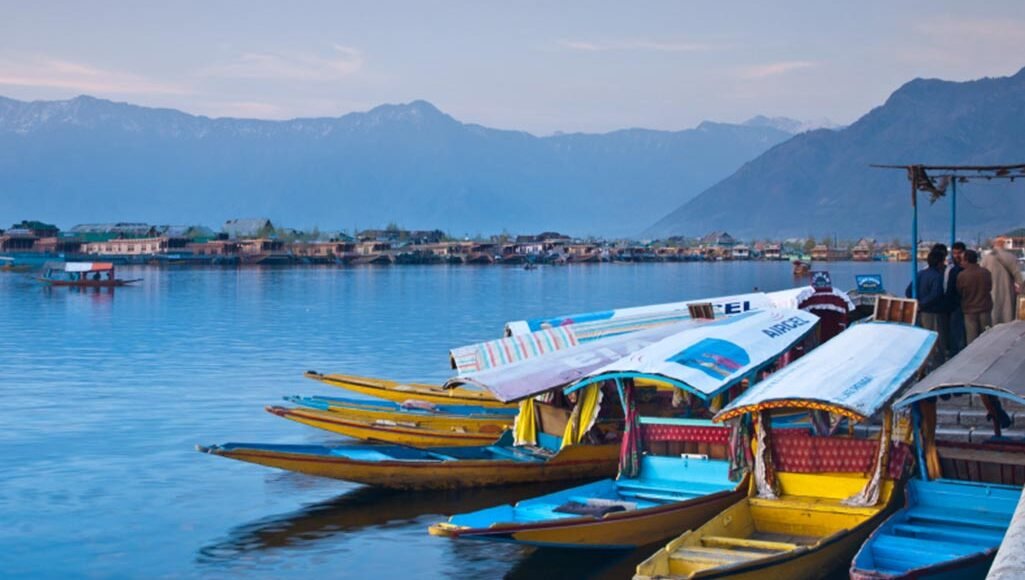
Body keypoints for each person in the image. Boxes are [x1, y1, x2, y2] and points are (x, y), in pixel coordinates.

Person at [906, 249, 948, 364]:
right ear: (940, 263)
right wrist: (923, 304)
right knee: (935, 341)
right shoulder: (937, 276)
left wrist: (916, 303)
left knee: (922, 340)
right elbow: (936, 294)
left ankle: (923, 364)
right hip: (932, 312)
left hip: (919, 313)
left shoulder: (920, 274)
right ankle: (936, 364)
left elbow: (908, 291)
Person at [957, 249, 993, 344]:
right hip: (985, 308)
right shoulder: (986, 272)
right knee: (987, 336)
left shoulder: (962, 275)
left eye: (962, 260)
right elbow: (989, 287)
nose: (961, 262)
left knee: (972, 339)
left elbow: (959, 291)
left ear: (967, 260)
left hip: (969, 310)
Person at [981, 244, 1023, 325]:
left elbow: (981, 275)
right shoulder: (1011, 257)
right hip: (1008, 292)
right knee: (1008, 315)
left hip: (991, 292)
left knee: (994, 317)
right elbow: (1018, 276)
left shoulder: (986, 258)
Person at [946, 241, 967, 355]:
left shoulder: (955, 271)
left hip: (958, 307)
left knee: (957, 335)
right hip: (958, 306)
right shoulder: (953, 270)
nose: (957, 256)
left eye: (959, 253)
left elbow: (950, 290)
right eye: (954, 253)